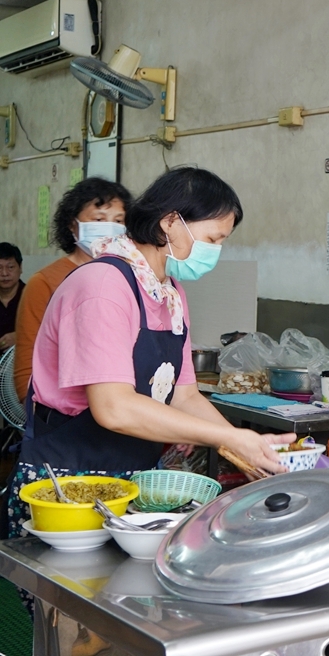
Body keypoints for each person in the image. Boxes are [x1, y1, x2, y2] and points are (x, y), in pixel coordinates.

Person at [5, 167, 292, 540]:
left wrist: (248, 449)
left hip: (133, 480)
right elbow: (114, 407)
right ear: (171, 222)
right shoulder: (102, 286)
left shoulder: (168, 293)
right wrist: (232, 440)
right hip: (65, 485)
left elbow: (184, 395)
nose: (215, 252)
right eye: (212, 239)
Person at [13, 178, 133, 400]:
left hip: (120, 403)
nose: (110, 229)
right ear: (72, 225)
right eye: (99, 219)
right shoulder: (45, 282)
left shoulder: (130, 277)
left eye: (119, 221)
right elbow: (25, 368)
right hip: (61, 412)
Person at [0, 243, 23, 351]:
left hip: (23, 361)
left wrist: (20, 337)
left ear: (20, 268)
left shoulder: (32, 296)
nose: (4, 274)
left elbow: (47, 330)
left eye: (10, 267)